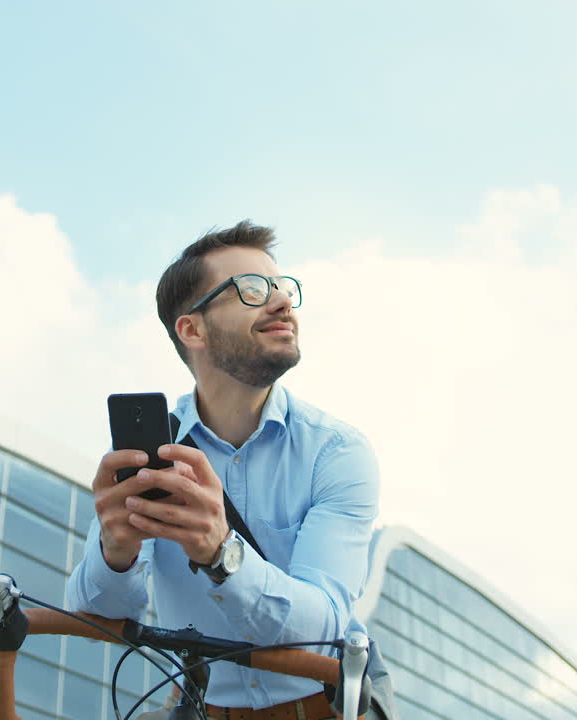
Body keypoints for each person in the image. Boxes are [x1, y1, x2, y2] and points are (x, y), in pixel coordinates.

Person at [66, 221, 380, 719]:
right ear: (192, 329)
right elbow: (99, 619)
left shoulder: (336, 452)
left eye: (282, 289)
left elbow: (326, 630)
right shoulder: (153, 451)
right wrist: (116, 551)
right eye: (252, 290)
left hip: (328, 706)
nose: (282, 303)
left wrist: (222, 553)